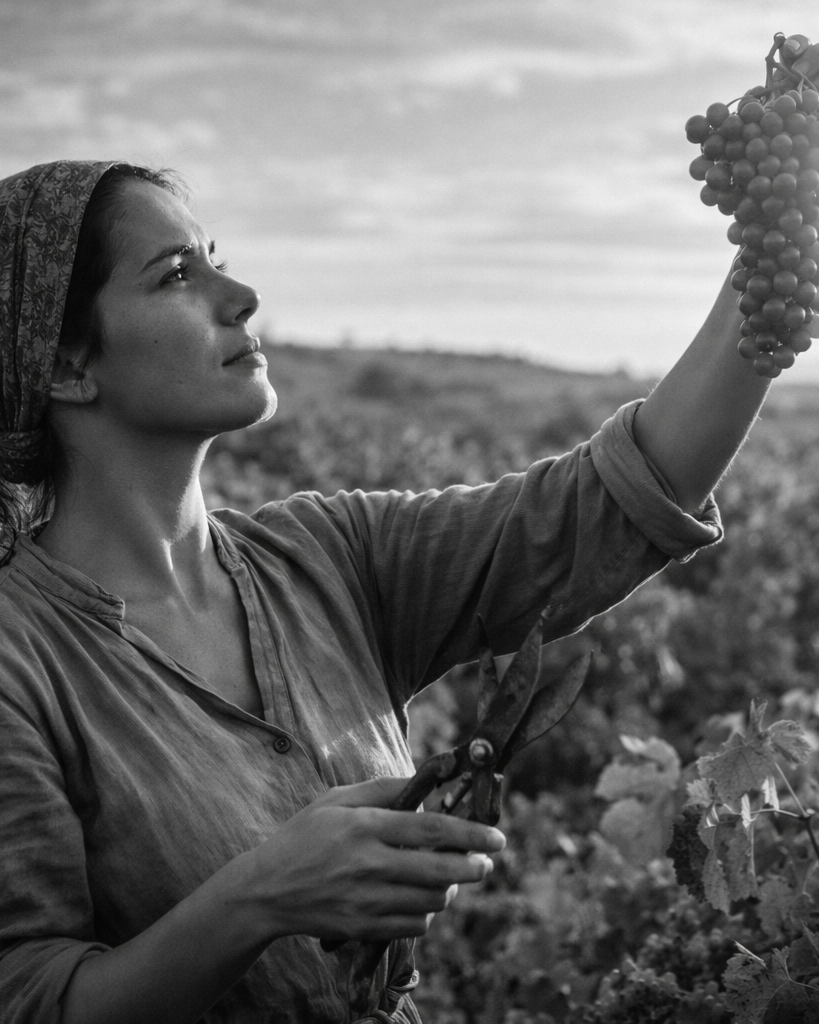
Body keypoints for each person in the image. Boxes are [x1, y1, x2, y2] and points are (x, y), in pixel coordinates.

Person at [0, 158, 770, 1024]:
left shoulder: (330, 556)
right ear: (65, 364)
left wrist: (771, 257)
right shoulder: (19, 661)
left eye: (217, 256)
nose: (241, 292)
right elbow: (29, 1000)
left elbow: (609, 505)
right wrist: (259, 898)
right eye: (178, 273)